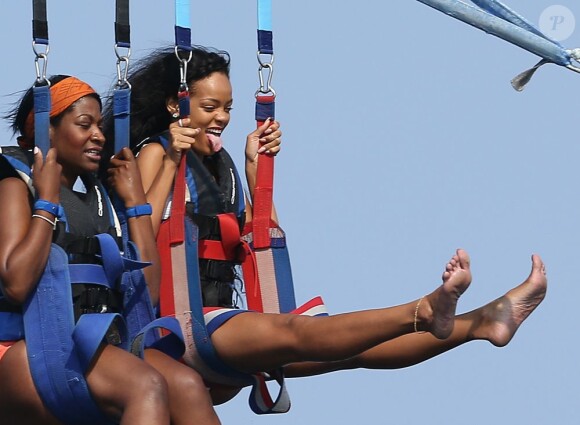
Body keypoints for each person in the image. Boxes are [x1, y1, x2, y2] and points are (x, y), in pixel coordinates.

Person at [101, 46, 547, 406]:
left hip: (227, 325)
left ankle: (482, 323)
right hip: (179, 327)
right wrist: (174, 157)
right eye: (209, 107)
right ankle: (425, 308)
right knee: (302, 334)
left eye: (228, 108)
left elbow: (265, 237)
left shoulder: (222, 166)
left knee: (352, 351)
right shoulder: (156, 152)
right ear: (174, 105)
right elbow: (137, 226)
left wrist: (258, 172)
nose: (221, 118)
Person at [0, 75, 220, 425]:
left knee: (187, 384)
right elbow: (15, 282)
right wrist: (45, 204)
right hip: (23, 346)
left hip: (92, 341)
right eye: (84, 125)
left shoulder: (98, 194)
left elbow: (145, 290)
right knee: (145, 386)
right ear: (46, 131)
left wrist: (135, 205)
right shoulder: (14, 182)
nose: (99, 136)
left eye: (100, 125)